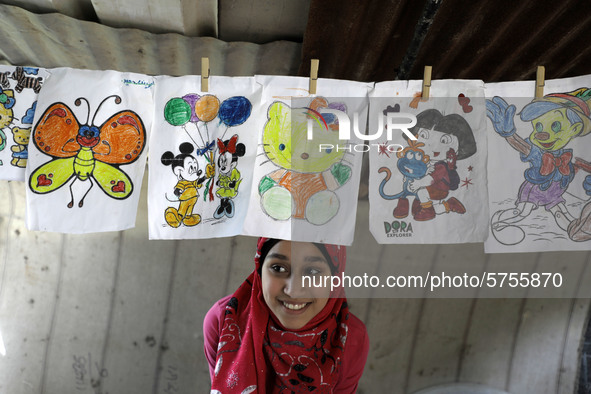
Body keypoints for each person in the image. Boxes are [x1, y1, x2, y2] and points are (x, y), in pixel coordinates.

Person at [203, 238, 369, 393]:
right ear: (259, 270)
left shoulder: (351, 338)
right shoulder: (224, 320)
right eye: (278, 268)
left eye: (312, 271)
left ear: (334, 278)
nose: (293, 290)